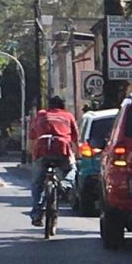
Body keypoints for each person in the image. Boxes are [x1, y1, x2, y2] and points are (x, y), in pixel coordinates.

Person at [28, 96, 79, 227]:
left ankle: (36, 213)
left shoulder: (41, 115)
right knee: (72, 169)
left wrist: (32, 155)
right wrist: (77, 155)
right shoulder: (68, 116)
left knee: (37, 183)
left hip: (41, 149)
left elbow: (32, 137)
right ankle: (64, 185)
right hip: (61, 148)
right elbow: (75, 138)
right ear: (63, 106)